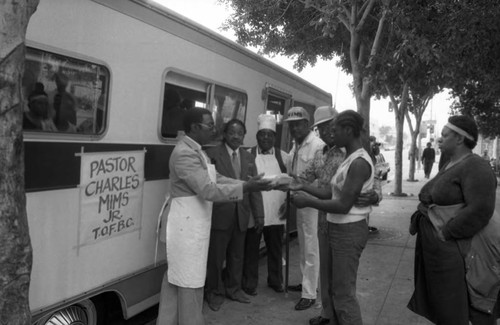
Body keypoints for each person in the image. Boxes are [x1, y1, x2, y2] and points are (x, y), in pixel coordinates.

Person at [156, 108, 271, 325]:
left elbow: (217, 177)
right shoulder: (185, 154)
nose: (214, 129)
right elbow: (208, 189)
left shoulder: (198, 151)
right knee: (188, 282)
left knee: (177, 280)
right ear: (194, 128)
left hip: (191, 226)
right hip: (185, 229)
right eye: (209, 125)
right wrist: (246, 187)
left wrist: (246, 184)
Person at [408, 115, 499, 325]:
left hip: (458, 252)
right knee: (444, 308)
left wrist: (446, 233)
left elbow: (481, 209)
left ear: (459, 139)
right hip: (440, 252)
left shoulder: (476, 166)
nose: (440, 139)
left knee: (460, 308)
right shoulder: (451, 163)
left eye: (445, 135)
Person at [288, 110, 374, 325]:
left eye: (334, 129)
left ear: (348, 130)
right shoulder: (347, 157)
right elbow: (330, 192)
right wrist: (303, 186)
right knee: (336, 288)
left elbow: (343, 205)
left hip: (348, 230)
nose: (330, 133)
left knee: (344, 294)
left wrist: (307, 201)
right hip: (336, 228)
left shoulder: (359, 162)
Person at [204, 119, 265, 311]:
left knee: (237, 256)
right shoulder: (212, 154)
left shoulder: (248, 157)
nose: (236, 137)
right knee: (215, 257)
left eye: (240, 133)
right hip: (220, 214)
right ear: (225, 134)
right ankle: (213, 292)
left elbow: (254, 188)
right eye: (232, 132)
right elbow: (211, 185)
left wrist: (259, 215)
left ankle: (234, 289)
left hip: (241, 213)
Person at [242, 114, 289, 296]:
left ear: (275, 137)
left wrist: (288, 203)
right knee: (251, 249)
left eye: (270, 134)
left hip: (277, 210)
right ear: (257, 136)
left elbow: (291, 181)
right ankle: (249, 283)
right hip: (256, 210)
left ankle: (276, 281)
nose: (266, 138)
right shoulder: (247, 155)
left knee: (275, 249)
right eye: (262, 134)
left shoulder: (283, 157)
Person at [283, 106, 325, 311]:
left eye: (298, 124)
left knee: (311, 247)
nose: (294, 128)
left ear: (307, 125)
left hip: (312, 203)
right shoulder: (295, 146)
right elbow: (292, 173)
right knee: (303, 244)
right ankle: (307, 283)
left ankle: (309, 293)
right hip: (299, 201)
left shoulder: (317, 146)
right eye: (291, 125)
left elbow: (319, 177)